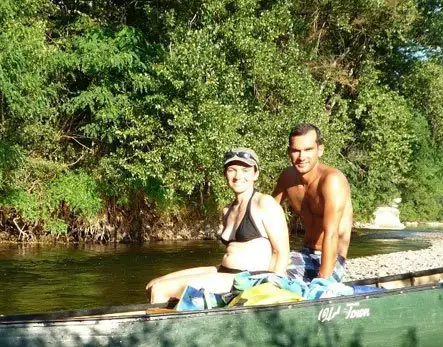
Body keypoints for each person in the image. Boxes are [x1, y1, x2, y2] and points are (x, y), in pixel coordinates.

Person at [146, 148, 290, 303]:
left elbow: (281, 252)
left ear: (256, 174)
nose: (238, 176)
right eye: (232, 170)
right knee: (152, 284)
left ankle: (163, 325)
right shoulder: (227, 210)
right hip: (223, 271)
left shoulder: (265, 203)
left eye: (245, 170)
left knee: (160, 289)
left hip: (248, 279)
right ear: (225, 174)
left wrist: (272, 290)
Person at [272, 123, 353, 283]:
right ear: (289, 152)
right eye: (296, 150)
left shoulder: (331, 180)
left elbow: (331, 233)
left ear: (320, 150)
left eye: (308, 150)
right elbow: (266, 212)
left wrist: (324, 282)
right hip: (305, 253)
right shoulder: (288, 177)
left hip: (332, 260)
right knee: (259, 264)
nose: (301, 157)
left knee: (274, 273)